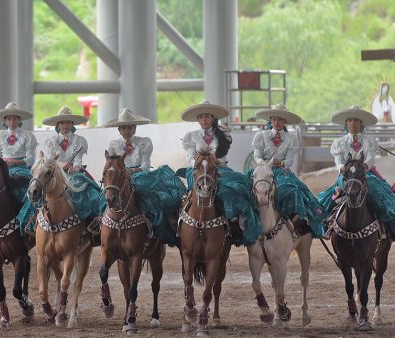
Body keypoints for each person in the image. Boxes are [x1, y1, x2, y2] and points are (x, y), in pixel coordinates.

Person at [317, 105, 395, 241]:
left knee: (383, 196)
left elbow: (370, 159)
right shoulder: (339, 142)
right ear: (346, 123)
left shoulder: (369, 140)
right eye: (350, 120)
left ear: (361, 123)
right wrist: (342, 168)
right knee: (326, 200)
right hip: (346, 175)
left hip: (366, 174)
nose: (353, 123)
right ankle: (327, 226)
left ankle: (388, 228)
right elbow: (338, 161)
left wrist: (364, 166)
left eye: (356, 120)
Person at [181, 100, 262, 245]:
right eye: (201, 117)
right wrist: (198, 163)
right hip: (198, 169)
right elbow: (190, 157)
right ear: (198, 119)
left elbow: (222, 156)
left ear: (212, 118)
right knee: (190, 191)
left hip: (220, 169)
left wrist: (213, 162)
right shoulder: (190, 136)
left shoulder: (223, 133)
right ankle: (183, 219)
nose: (204, 120)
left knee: (237, 186)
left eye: (207, 116)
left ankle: (236, 220)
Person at [105, 108, 185, 246]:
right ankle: (101, 222)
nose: (126, 131)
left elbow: (146, 166)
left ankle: (164, 221)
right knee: (106, 193)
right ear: (119, 130)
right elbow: (112, 164)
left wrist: (131, 171)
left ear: (134, 128)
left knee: (154, 196)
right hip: (120, 177)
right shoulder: (113, 145)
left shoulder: (144, 142)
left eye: (129, 127)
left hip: (141, 175)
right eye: (123, 128)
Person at [250, 103, 325, 237]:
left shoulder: (291, 138)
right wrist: (264, 164)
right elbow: (256, 155)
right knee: (245, 186)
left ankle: (293, 221)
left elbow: (290, 160)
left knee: (291, 190)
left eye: (280, 119)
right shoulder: (261, 135)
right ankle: (245, 222)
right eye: (274, 119)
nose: (277, 122)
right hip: (263, 168)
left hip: (281, 171)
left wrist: (282, 164)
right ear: (270, 120)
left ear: (284, 121)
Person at [29, 106, 105, 236]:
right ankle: (33, 221)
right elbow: (48, 161)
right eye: (62, 122)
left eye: (68, 122)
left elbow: (78, 160)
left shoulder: (80, 140)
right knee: (36, 189)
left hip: (73, 173)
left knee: (90, 191)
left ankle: (90, 222)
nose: (65, 125)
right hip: (53, 173)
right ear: (58, 125)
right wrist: (61, 165)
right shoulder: (50, 141)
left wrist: (75, 167)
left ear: (72, 124)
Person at [0, 102, 38, 234]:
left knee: (29, 191)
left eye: (15, 118)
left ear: (19, 120)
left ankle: (29, 220)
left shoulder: (28, 135)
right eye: (9, 118)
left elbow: (31, 158)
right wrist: (2, 164)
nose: (12, 121)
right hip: (2, 168)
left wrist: (16, 163)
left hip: (22, 168)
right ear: (4, 120)